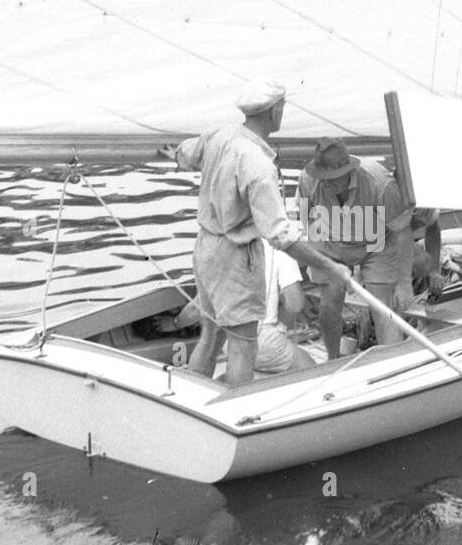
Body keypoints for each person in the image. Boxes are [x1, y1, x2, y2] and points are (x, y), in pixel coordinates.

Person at [170, 78, 320, 386]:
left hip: (206, 247)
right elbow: (279, 234)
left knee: (211, 336)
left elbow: (185, 152)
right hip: (236, 254)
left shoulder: (219, 135)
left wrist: (172, 154)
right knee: (242, 345)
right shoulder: (258, 162)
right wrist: (329, 266)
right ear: (274, 111)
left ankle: (191, 399)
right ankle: (237, 414)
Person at [298, 138, 411, 358]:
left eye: (332, 179)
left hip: (376, 244)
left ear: (348, 171)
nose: (327, 183)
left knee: (382, 306)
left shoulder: (380, 183)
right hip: (331, 240)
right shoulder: (308, 179)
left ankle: (393, 363)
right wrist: (326, 263)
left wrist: (405, 283)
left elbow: (403, 231)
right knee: (329, 301)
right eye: (323, 178)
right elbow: (309, 220)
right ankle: (333, 358)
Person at [255, 240, 315, 373]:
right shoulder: (281, 248)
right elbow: (295, 303)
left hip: (228, 339)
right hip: (262, 340)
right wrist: (281, 325)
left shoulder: (229, 241)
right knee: (313, 371)